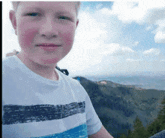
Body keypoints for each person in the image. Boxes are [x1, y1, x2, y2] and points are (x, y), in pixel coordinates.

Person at [2, 1, 113, 138]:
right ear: (14, 22)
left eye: (63, 17)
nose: (49, 31)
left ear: (75, 26)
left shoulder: (77, 90)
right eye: (33, 14)